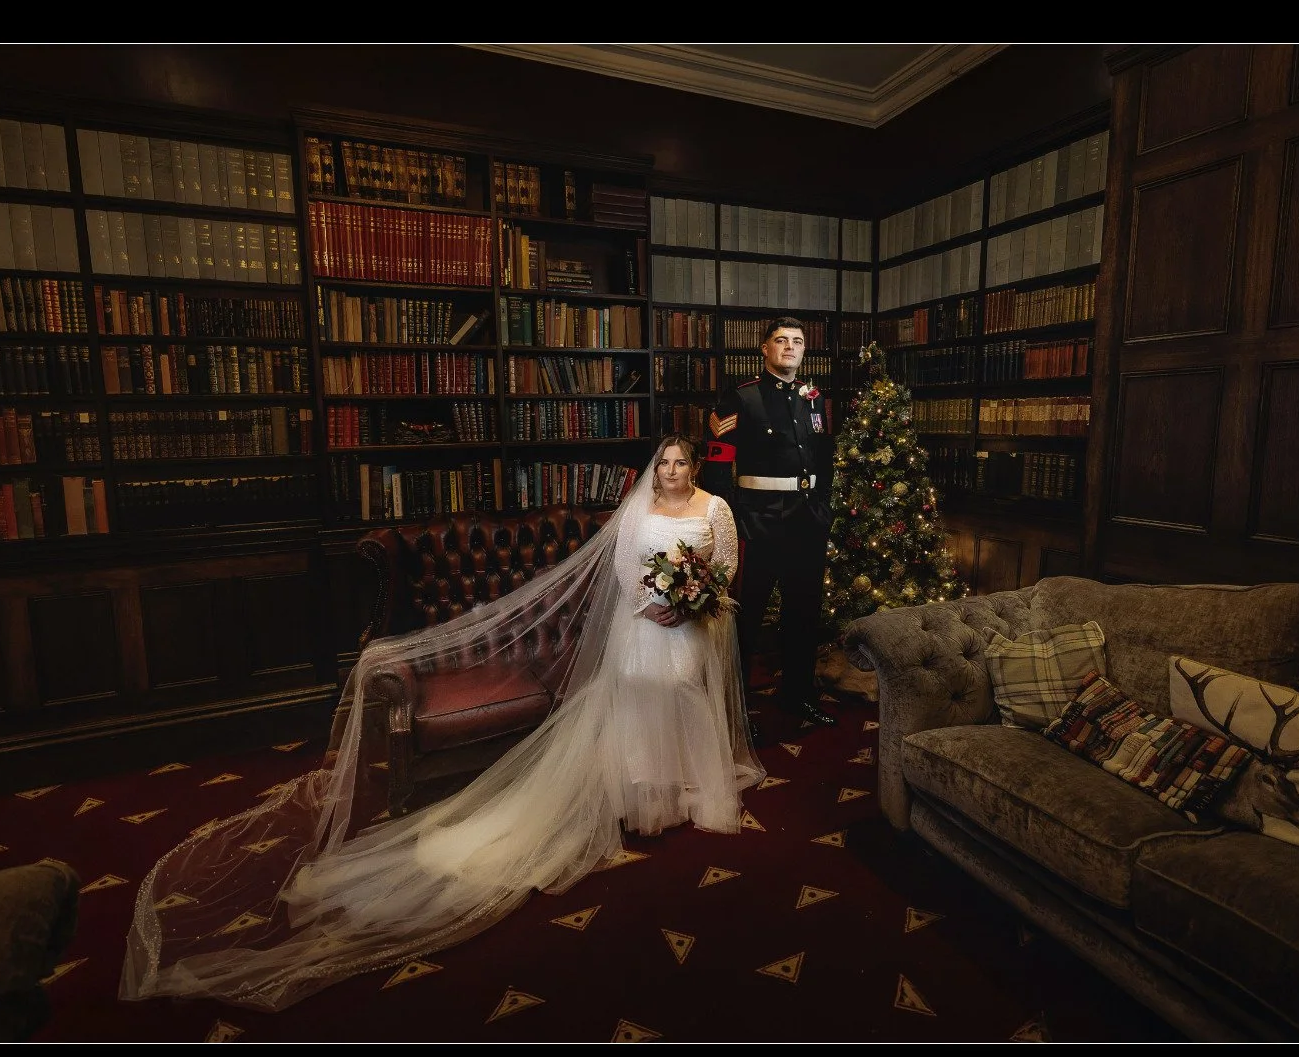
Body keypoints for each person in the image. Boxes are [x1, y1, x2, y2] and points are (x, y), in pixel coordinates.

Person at [119, 434, 762, 1012]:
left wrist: (689, 602)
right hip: (644, 623)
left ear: (695, 467)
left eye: (681, 463)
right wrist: (655, 605)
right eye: (665, 463)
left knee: (684, 697)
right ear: (658, 468)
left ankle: (685, 783)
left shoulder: (715, 509)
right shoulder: (637, 510)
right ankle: (642, 788)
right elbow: (624, 569)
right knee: (638, 697)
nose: (672, 471)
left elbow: (726, 566)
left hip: (691, 626)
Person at [702, 316, 837, 743]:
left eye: (798, 341)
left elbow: (825, 460)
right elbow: (718, 467)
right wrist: (732, 521)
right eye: (781, 341)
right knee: (746, 619)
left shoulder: (813, 398)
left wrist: (824, 509)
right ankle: (736, 708)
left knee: (803, 614)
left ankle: (796, 694)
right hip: (757, 522)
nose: (790, 348)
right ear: (764, 349)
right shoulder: (740, 398)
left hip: (807, 522)